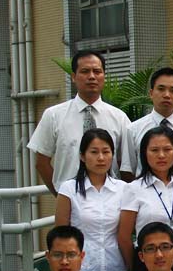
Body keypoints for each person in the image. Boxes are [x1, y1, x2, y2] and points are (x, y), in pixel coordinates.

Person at [28, 50, 130, 194]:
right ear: (73, 77)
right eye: (85, 71)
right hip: (70, 200)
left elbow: (126, 164)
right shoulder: (53, 115)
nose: (92, 76)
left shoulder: (119, 118)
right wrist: (61, 195)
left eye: (97, 71)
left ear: (104, 76)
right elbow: (41, 163)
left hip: (111, 199)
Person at [55, 129, 129, 271]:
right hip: (82, 269)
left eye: (106, 152)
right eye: (94, 152)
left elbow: (126, 233)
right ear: (82, 156)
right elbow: (60, 234)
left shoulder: (123, 189)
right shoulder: (69, 189)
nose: (101, 158)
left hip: (116, 267)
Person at [118, 126, 173, 271]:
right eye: (154, 150)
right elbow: (124, 237)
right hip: (147, 260)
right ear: (144, 154)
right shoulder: (133, 189)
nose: (161, 155)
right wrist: (134, 267)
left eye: (167, 149)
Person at [121, 67, 173, 181]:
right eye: (161, 89)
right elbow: (128, 170)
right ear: (151, 93)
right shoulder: (133, 129)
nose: (167, 95)